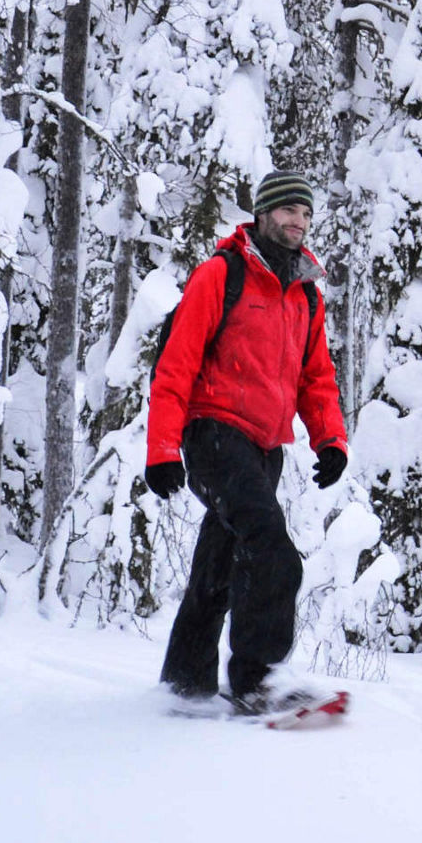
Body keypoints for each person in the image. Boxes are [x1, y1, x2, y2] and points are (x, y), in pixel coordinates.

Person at [144, 171, 348, 714]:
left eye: (305, 214)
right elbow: (176, 365)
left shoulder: (305, 295)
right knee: (271, 547)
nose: (297, 222)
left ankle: (184, 687)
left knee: (218, 566)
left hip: (265, 448)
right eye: (287, 211)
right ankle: (259, 681)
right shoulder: (222, 275)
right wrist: (163, 449)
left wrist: (331, 439)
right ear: (261, 215)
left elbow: (316, 377)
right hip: (213, 432)